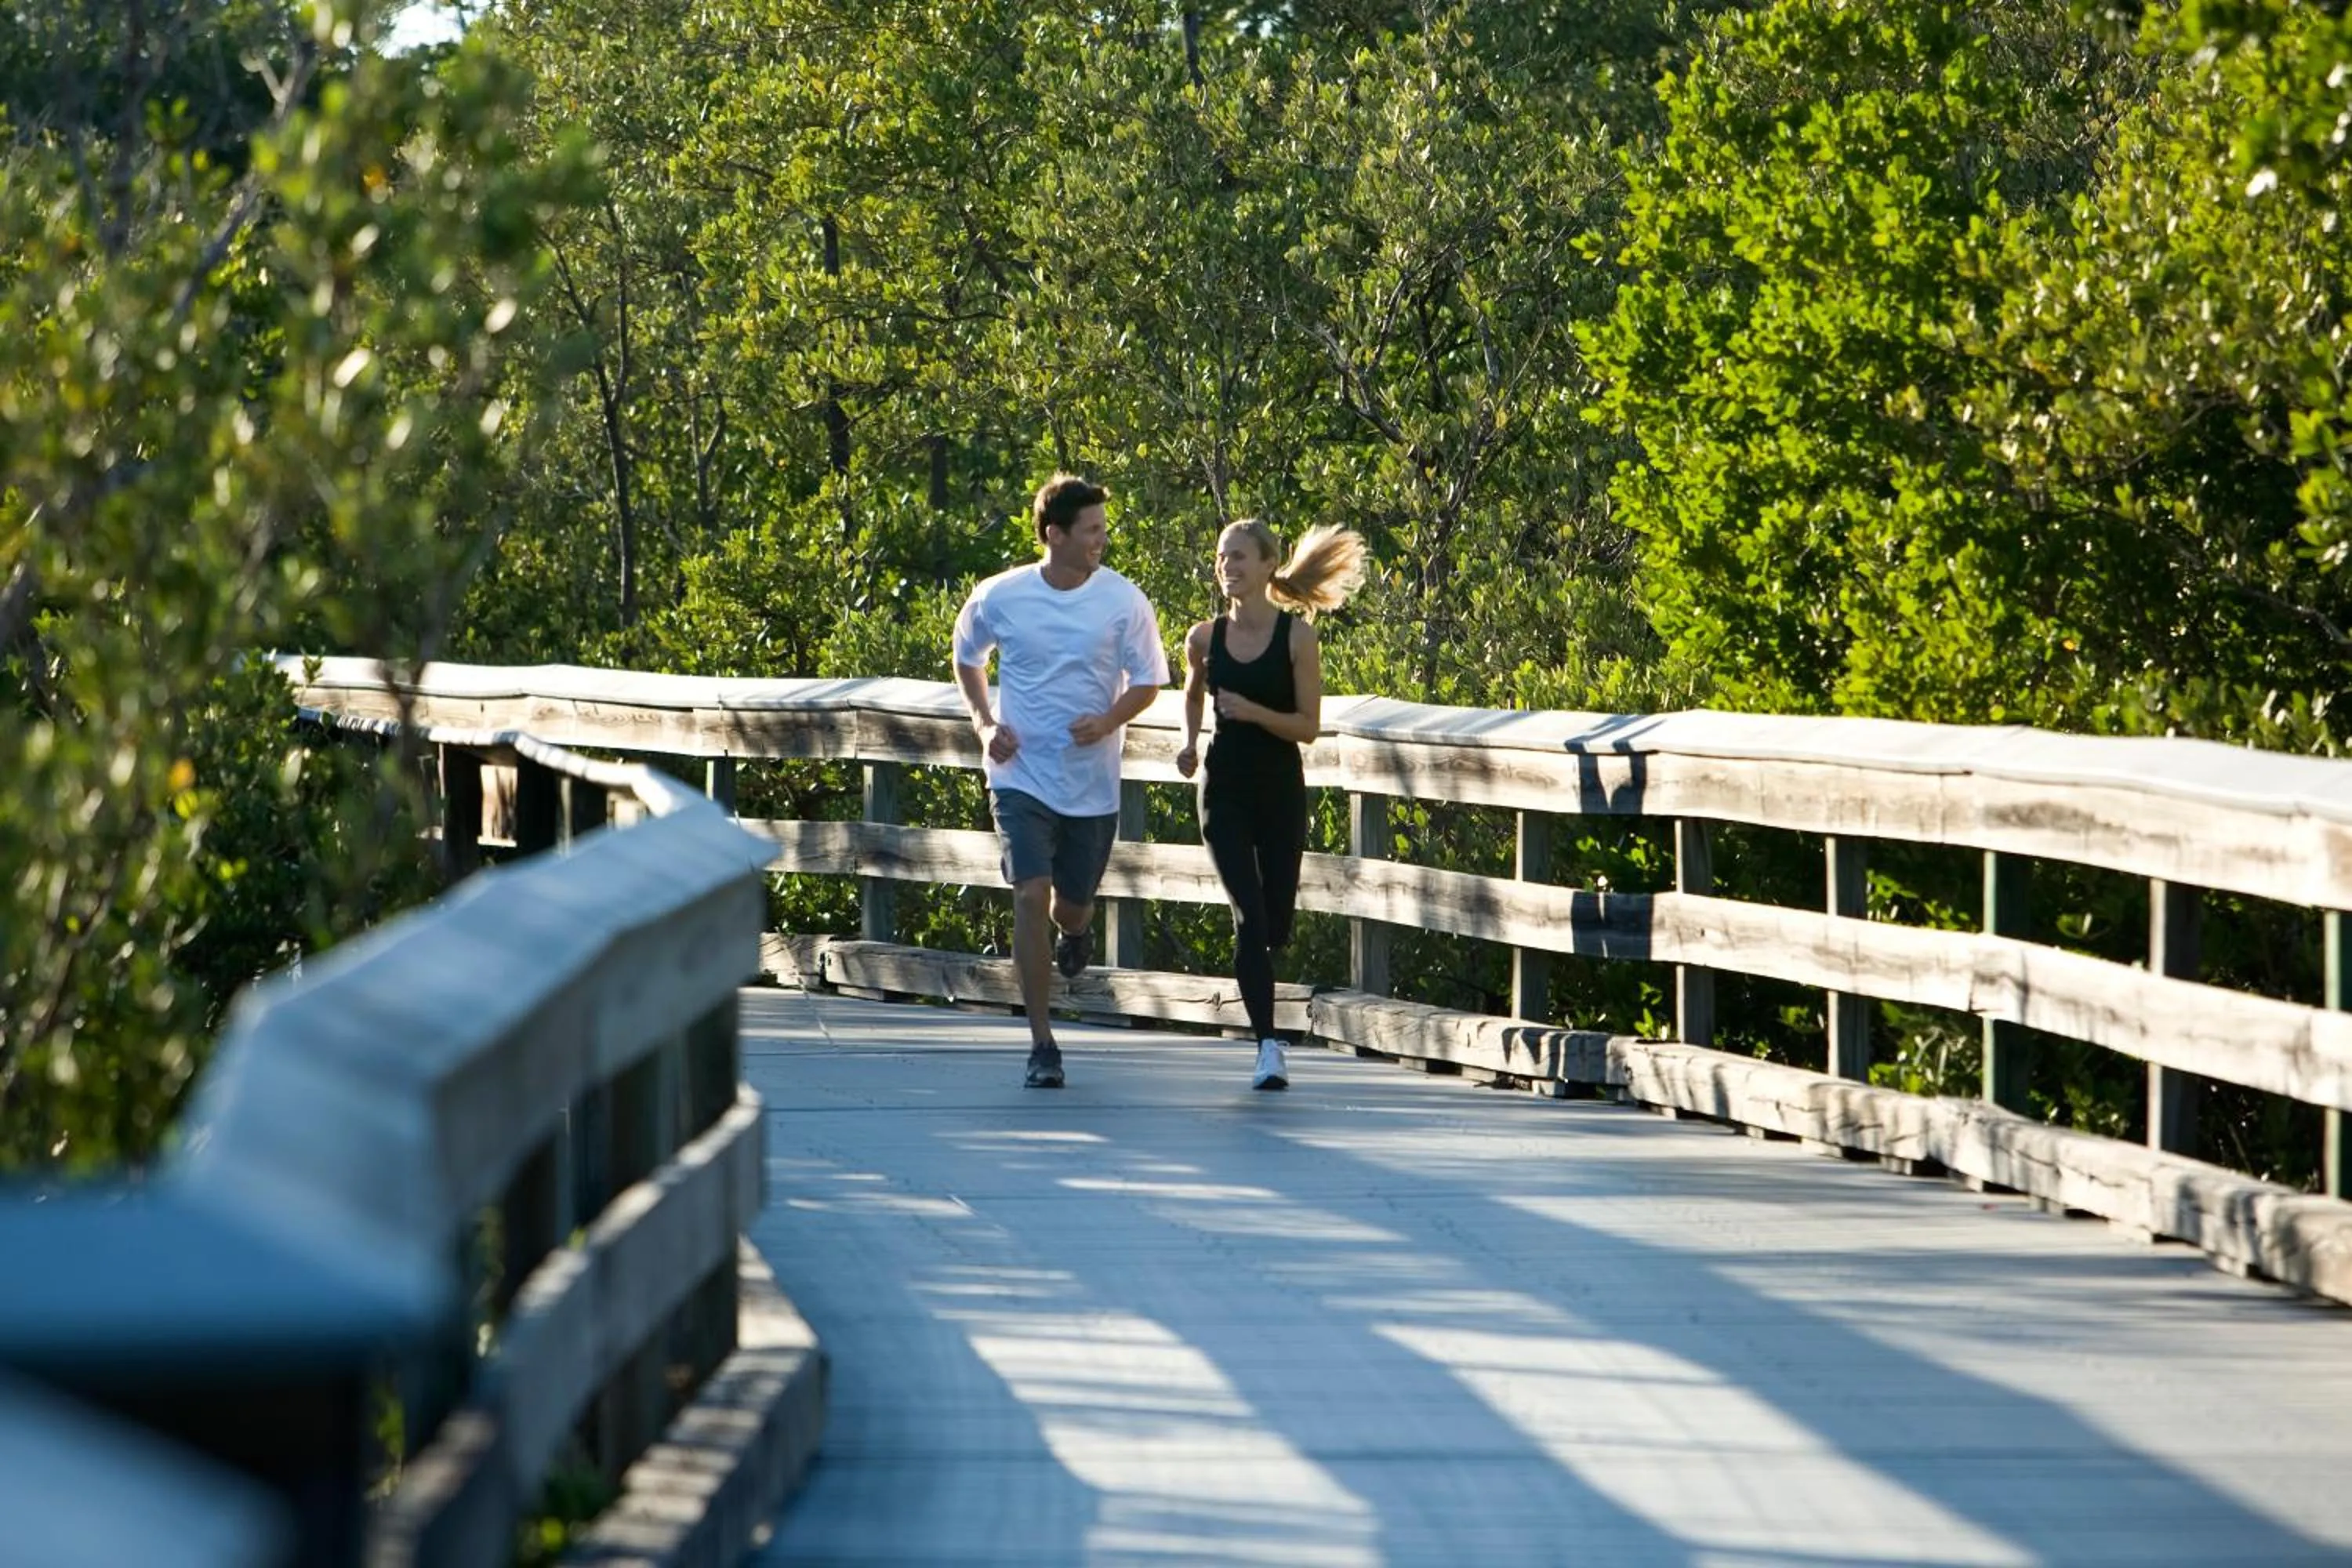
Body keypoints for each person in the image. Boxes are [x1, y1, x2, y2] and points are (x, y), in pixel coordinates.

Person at [953, 473, 1171, 1089]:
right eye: (1093, 530)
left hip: (1091, 784)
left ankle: (1073, 932)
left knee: (1068, 905)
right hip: (1019, 771)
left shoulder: (1123, 600)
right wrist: (984, 720)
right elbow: (967, 655)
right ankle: (1042, 1044)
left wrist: (1108, 719)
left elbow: (1150, 679)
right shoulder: (1001, 595)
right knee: (1028, 894)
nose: (1103, 539)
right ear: (1056, 535)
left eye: (1103, 528)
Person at [1177, 518, 1367, 1091]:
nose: (1227, 567)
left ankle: (1266, 1011)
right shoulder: (1204, 638)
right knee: (1248, 917)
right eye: (1220, 558)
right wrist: (1188, 743)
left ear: (1267, 566)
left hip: (1280, 790)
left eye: (1238, 558)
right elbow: (1191, 691)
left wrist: (1254, 712)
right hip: (1225, 790)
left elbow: (1308, 728)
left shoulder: (1297, 639)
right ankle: (1267, 1047)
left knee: (1276, 921)